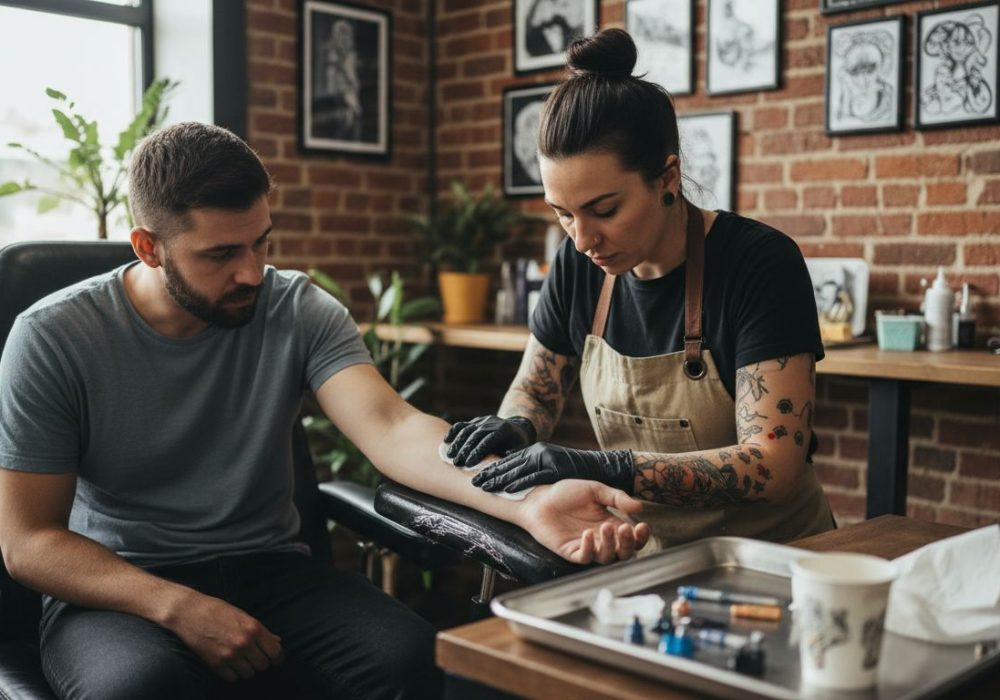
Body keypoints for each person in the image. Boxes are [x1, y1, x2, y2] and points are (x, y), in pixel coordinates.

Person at [0, 122, 650, 700]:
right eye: (221, 254)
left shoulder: (295, 308)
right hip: (123, 587)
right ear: (149, 247)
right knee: (143, 689)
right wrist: (177, 606)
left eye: (261, 243)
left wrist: (527, 503)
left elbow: (394, 428)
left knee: (413, 662)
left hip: (269, 569)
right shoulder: (54, 337)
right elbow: (28, 541)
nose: (252, 272)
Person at [445, 29, 835, 554]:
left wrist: (608, 467)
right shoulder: (577, 265)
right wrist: (516, 427)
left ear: (667, 177)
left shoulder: (760, 264)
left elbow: (772, 464)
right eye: (563, 214)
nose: (583, 239)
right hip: (651, 556)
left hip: (776, 555)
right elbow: (536, 392)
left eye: (604, 210)